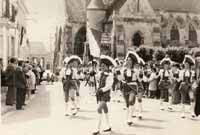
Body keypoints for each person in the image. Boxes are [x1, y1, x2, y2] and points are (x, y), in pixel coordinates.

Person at [93, 56, 114, 135]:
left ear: (107, 67)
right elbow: (95, 78)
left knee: (99, 109)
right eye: (101, 66)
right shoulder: (100, 73)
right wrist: (92, 73)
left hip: (105, 94)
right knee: (105, 109)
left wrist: (101, 90)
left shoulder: (110, 75)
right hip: (99, 93)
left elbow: (109, 86)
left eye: (104, 66)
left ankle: (97, 128)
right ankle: (108, 126)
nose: (102, 67)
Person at [122, 52, 140, 126]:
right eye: (127, 60)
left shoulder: (136, 71)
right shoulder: (123, 70)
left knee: (131, 101)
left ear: (132, 62)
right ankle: (128, 117)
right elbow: (121, 79)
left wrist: (140, 76)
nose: (128, 62)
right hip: (125, 87)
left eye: (130, 60)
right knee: (127, 104)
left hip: (133, 87)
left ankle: (130, 118)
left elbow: (139, 80)